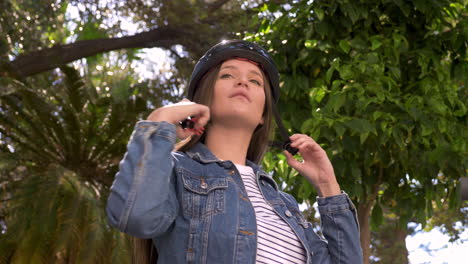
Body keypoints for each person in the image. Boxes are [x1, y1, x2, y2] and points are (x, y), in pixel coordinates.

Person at [106, 40, 363, 263]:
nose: (243, 81)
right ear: (202, 99)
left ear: (263, 115)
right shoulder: (174, 169)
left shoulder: (285, 205)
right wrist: (160, 122)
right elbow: (135, 217)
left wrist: (328, 186)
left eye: (255, 80)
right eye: (227, 75)